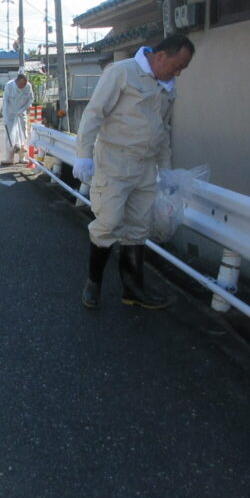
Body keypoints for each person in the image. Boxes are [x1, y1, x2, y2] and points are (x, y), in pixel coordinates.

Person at [72, 34, 195, 310]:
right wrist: (83, 155)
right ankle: (93, 284)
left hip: (145, 168)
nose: (177, 73)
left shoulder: (167, 87)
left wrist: (167, 170)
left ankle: (133, 289)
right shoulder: (122, 72)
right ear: (160, 55)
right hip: (114, 164)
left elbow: (163, 130)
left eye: (182, 70)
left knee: (139, 229)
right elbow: (94, 113)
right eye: (177, 66)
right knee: (109, 223)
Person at [0, 71, 34, 165]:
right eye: (21, 84)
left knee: (24, 134)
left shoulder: (28, 86)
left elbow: (30, 99)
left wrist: (23, 109)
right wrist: (5, 116)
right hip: (10, 114)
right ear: (17, 81)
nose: (22, 87)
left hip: (21, 113)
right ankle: (9, 158)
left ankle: (22, 158)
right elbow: (5, 102)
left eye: (24, 84)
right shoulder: (9, 85)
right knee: (10, 136)